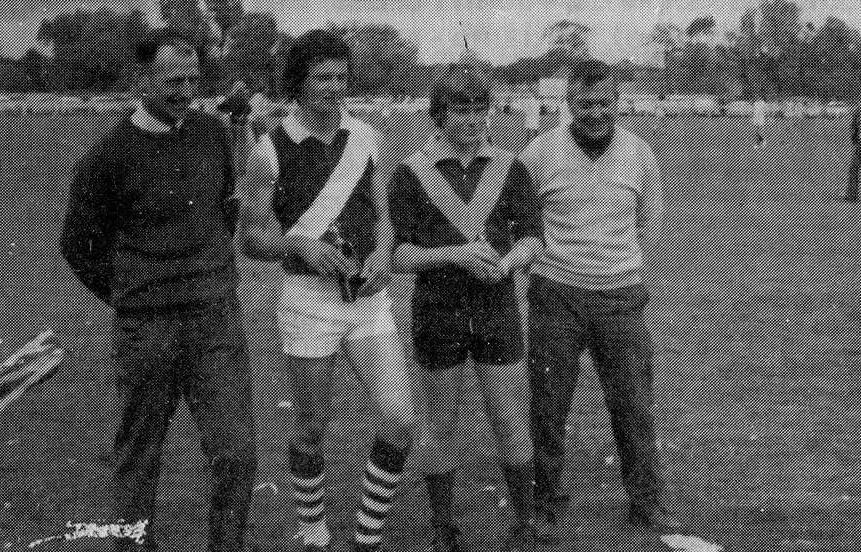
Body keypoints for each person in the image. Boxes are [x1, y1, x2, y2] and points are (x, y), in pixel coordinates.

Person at [60, 29, 257, 552]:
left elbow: (226, 210)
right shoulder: (108, 155)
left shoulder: (214, 134)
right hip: (147, 330)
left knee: (237, 454)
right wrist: (133, 297)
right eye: (174, 80)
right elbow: (77, 246)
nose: (186, 90)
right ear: (141, 79)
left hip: (215, 321)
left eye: (193, 79)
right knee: (139, 459)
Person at [237, 30, 415, 552]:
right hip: (308, 301)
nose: (334, 88)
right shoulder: (270, 147)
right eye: (322, 78)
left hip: (368, 300)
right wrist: (301, 246)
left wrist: (384, 254)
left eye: (341, 77)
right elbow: (250, 238)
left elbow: (383, 217)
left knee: (400, 420)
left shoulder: (366, 136)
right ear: (297, 82)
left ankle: (368, 531)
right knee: (311, 426)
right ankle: (313, 527)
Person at [388, 62, 547, 552]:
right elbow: (397, 254)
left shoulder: (511, 166)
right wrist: (453, 254)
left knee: (507, 415)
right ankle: (442, 528)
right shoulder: (412, 173)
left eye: (481, 109)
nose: (472, 119)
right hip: (439, 309)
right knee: (441, 422)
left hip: (496, 307)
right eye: (460, 110)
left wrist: (508, 262)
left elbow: (534, 240)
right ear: (438, 115)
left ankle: (525, 522)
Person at [519, 59, 681, 534]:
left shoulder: (640, 154)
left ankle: (647, 503)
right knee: (548, 409)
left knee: (633, 405)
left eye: (604, 103)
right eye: (585, 103)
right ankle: (547, 503)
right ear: (569, 102)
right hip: (556, 296)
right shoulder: (540, 152)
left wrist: (620, 265)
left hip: (620, 299)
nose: (595, 112)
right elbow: (520, 219)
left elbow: (650, 223)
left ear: (618, 102)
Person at [847, 103, 860, 202]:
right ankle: (852, 196)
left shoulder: (857, 110)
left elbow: (853, 128)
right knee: (853, 168)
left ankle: (852, 196)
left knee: (854, 168)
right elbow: (854, 127)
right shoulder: (857, 111)